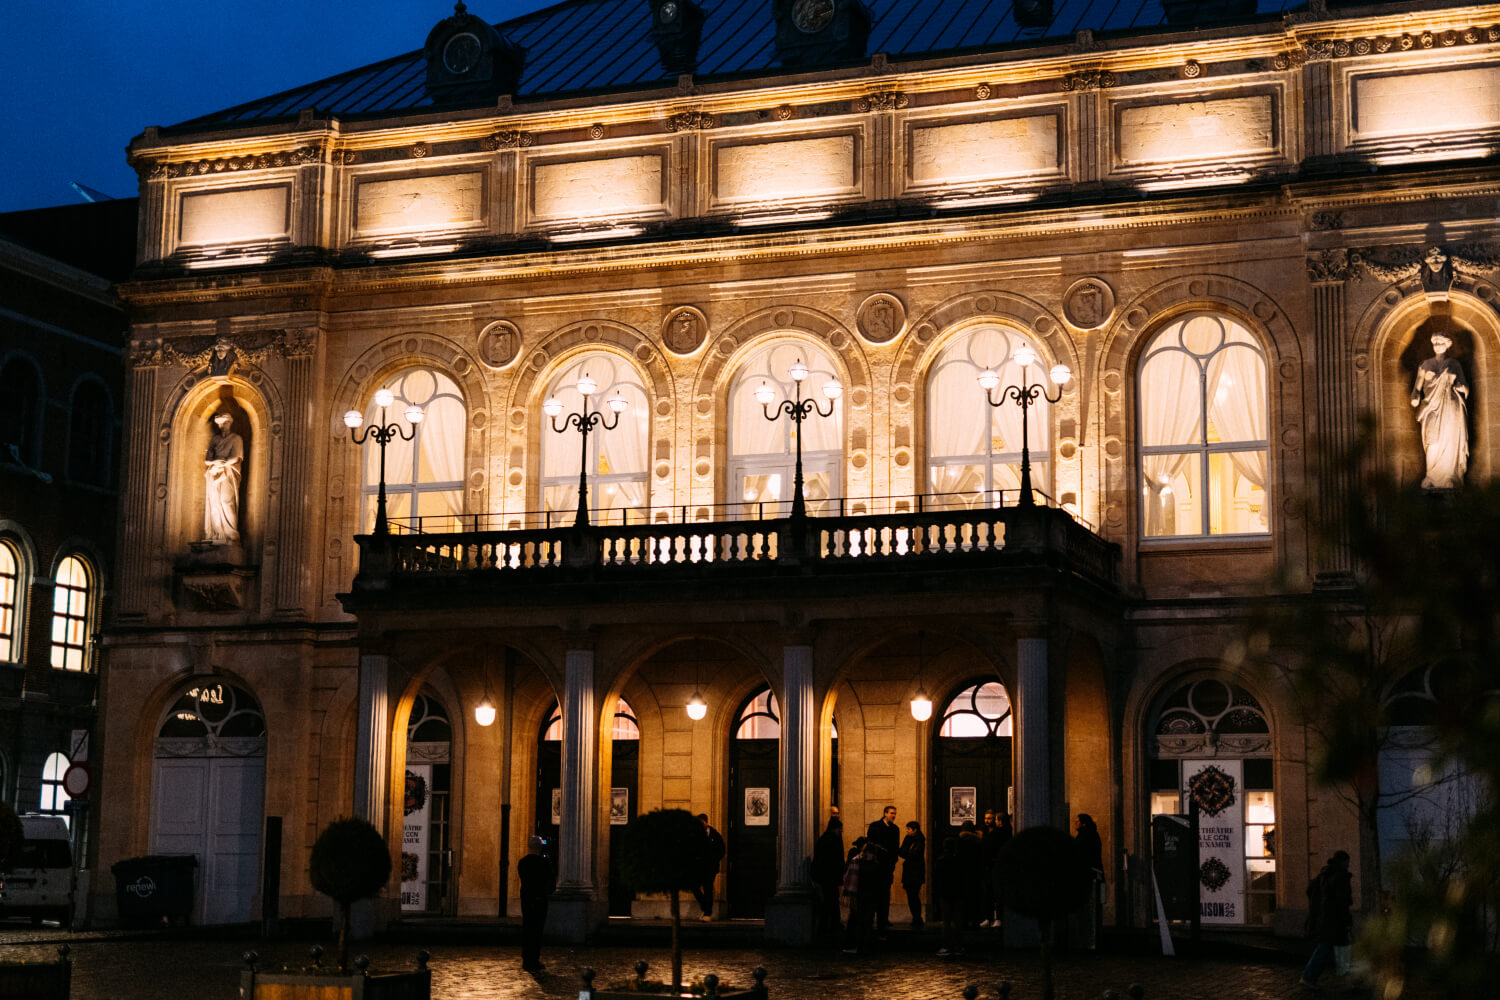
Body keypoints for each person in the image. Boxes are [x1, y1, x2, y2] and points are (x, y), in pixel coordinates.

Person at [1410, 332, 1469, 489]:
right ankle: (1432, 476)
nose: (1437, 346)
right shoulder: (1425, 365)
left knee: (1450, 439)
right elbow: (1417, 387)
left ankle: (1450, 476)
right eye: (1435, 343)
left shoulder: (1454, 364)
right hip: (1431, 406)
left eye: (1440, 343)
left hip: (1450, 405)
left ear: (1447, 345)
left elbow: (1464, 385)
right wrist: (1415, 397)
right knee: (1433, 441)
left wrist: (1460, 387)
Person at [1301, 849, 1353, 991]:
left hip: (1326, 918)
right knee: (1331, 947)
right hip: (1335, 919)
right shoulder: (1340, 877)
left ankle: (1311, 976)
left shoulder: (1325, 874)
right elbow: (1342, 902)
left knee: (1328, 947)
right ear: (1344, 861)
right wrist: (1347, 920)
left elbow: (1311, 891)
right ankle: (1310, 976)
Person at [203, 411, 244, 544]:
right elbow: (207, 460)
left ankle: (231, 532)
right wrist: (215, 464)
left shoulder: (236, 438)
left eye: (225, 423)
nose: (222, 426)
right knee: (214, 502)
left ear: (230, 423)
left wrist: (223, 464)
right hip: (214, 472)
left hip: (228, 472)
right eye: (220, 424)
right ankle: (216, 532)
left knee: (226, 501)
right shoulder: (215, 439)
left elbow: (236, 457)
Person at [517, 835, 555, 974]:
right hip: (539, 899)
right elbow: (550, 881)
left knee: (527, 927)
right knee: (537, 929)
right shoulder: (544, 863)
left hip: (527, 898)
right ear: (539, 847)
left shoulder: (522, 862)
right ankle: (534, 959)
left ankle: (526, 958)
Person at [865, 805, 900, 935]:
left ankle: (883, 920)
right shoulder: (875, 826)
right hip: (876, 867)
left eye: (895, 813)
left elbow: (895, 848)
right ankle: (875, 921)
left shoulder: (895, 829)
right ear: (885, 813)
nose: (894, 816)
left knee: (885, 896)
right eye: (891, 813)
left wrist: (892, 863)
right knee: (876, 896)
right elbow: (870, 844)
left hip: (887, 868)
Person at [842, 840, 881, 954]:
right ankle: (864, 946)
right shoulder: (871, 865)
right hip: (866, 896)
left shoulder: (859, 863)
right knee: (865, 922)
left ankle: (861, 946)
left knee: (862, 922)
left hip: (863, 896)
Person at [812, 813, 846, 942]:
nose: (841, 831)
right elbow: (835, 860)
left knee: (829, 901)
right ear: (834, 828)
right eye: (839, 829)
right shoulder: (832, 840)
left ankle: (828, 925)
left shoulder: (824, 839)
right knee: (830, 901)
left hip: (825, 877)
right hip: (829, 876)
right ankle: (831, 925)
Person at [934, 836, 966, 957]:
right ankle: (958, 946)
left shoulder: (941, 860)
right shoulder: (959, 860)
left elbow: (937, 878)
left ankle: (946, 946)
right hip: (957, 892)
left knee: (946, 921)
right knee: (958, 921)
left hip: (945, 893)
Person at [692, 813, 726, 922]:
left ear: (706, 822)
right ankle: (705, 907)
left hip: (710, 867)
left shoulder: (715, 835)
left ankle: (707, 913)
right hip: (698, 867)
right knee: (694, 886)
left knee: (708, 888)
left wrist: (714, 859)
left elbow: (722, 849)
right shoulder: (695, 835)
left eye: (702, 823)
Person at [898, 820, 926, 930]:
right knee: (911, 895)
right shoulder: (909, 839)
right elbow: (902, 852)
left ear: (915, 830)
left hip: (915, 872)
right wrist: (906, 851)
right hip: (910, 871)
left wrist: (906, 852)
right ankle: (916, 917)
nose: (907, 831)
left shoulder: (919, 840)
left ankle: (917, 918)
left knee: (913, 895)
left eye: (909, 829)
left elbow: (912, 854)